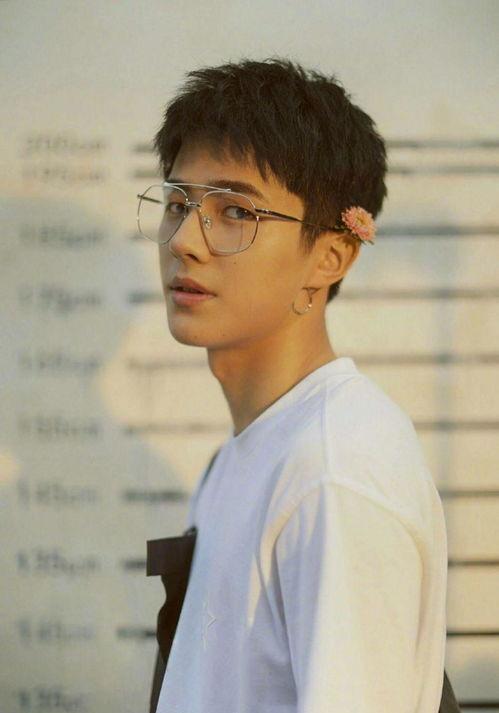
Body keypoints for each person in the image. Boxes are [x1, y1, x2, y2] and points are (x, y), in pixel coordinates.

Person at [138, 57, 449, 713]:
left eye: (234, 211)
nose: (184, 240)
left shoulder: (333, 472)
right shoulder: (250, 452)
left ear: (330, 256)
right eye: (177, 204)